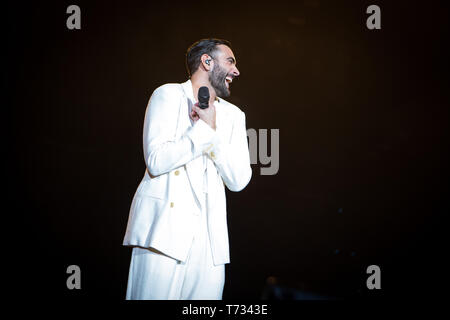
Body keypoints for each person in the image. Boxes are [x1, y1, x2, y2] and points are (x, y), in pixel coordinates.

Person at [122, 38, 252, 300]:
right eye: (230, 61)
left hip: (210, 242)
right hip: (164, 230)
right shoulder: (168, 95)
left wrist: (212, 133)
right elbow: (157, 161)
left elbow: (239, 180)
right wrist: (202, 132)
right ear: (207, 61)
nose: (236, 71)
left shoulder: (234, 115)